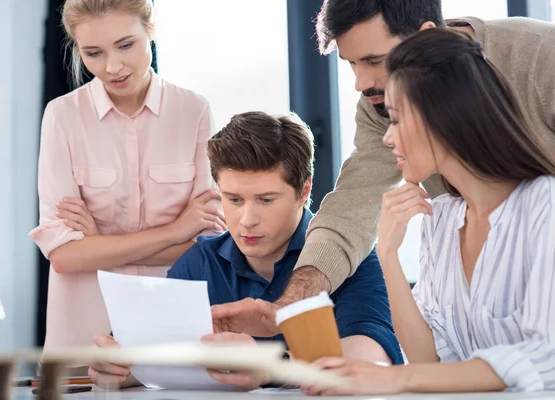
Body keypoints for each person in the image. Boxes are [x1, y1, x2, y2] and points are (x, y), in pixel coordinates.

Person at [211, 0, 555, 342]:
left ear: (426, 38)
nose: (361, 82)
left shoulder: (540, 56)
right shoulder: (439, 210)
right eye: (351, 63)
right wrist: (287, 306)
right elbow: (352, 207)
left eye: (374, 61)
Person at [301, 28, 555, 396]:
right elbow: (428, 361)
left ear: (445, 117)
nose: (388, 138)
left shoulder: (544, 205)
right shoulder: (442, 219)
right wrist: (387, 254)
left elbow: (547, 356)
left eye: (398, 119)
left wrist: (391, 378)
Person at [86, 111, 403, 390]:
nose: (246, 221)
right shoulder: (202, 261)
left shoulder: (347, 256)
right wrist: (119, 369)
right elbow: (139, 353)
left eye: (266, 200)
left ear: (303, 190)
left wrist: (271, 365)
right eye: (234, 200)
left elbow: (371, 356)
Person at [29, 0, 225, 351]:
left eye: (125, 45)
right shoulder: (62, 117)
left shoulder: (194, 112)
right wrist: (173, 232)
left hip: (172, 332)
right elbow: (64, 255)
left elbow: (205, 247)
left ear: (150, 31)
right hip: (84, 337)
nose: (113, 66)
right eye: (94, 53)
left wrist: (99, 239)